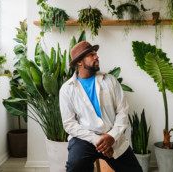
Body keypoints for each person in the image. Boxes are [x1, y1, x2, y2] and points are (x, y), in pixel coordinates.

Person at [59, 41, 142, 172]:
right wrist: (98, 140)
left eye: (95, 53)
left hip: (113, 137)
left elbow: (122, 112)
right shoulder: (67, 89)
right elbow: (69, 124)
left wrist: (111, 136)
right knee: (75, 167)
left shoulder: (110, 81)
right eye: (91, 55)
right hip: (84, 138)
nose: (96, 56)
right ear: (79, 62)